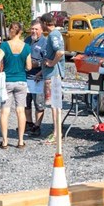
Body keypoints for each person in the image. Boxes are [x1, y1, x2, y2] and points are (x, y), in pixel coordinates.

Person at [0, 22, 32, 149]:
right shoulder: (26, 47)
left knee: (5, 112)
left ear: (10, 31)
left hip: (7, 81)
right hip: (21, 81)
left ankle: (5, 141)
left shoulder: (5, 45)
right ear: (21, 31)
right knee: (20, 111)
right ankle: (20, 141)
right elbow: (29, 66)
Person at [39, 12, 65, 145]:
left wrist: (52, 63)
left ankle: (56, 134)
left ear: (44, 23)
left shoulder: (53, 35)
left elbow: (60, 51)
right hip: (52, 74)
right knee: (55, 105)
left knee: (55, 105)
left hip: (53, 75)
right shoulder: (56, 34)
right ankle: (56, 132)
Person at [24, 19, 47, 137]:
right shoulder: (27, 40)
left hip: (38, 78)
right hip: (26, 77)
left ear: (41, 30)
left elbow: (47, 61)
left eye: (36, 29)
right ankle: (28, 123)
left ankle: (37, 126)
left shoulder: (45, 42)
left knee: (39, 104)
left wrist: (37, 66)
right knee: (25, 103)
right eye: (32, 29)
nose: (33, 31)